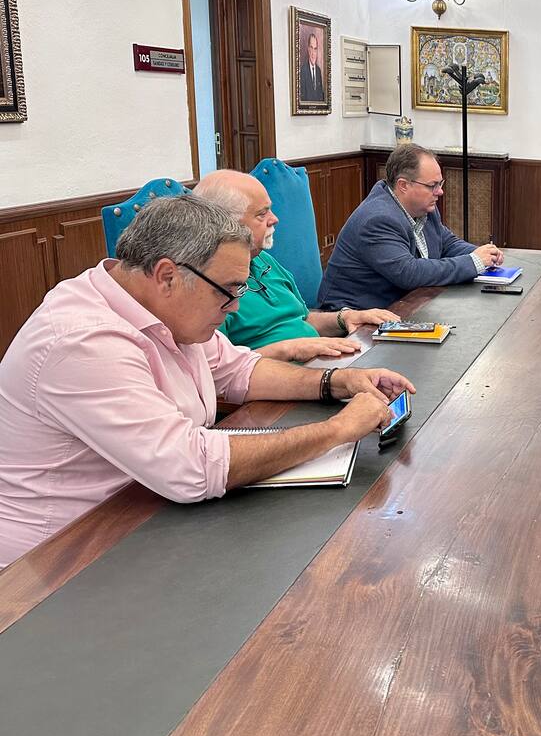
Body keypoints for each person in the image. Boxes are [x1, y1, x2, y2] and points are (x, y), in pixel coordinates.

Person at [0, 195, 414, 567]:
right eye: (229, 291)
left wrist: (338, 382)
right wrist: (338, 430)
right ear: (166, 275)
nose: (235, 307)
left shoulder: (167, 307)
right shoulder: (82, 341)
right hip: (61, 561)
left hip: (148, 515)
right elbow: (190, 467)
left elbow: (239, 369)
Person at [193, 170, 396, 362]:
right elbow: (219, 371)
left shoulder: (264, 259)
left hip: (319, 364)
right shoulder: (207, 286)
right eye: (261, 214)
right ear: (226, 223)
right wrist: (289, 349)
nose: (275, 219)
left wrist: (346, 317)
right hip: (273, 388)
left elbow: (303, 319)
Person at [317, 144, 503, 310]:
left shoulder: (424, 207)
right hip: (354, 316)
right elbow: (409, 273)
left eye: (440, 183)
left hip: (402, 304)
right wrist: (474, 262)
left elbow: (446, 243)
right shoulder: (377, 219)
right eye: (433, 185)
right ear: (403, 185)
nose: (440, 191)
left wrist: (483, 253)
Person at [299, 32, 325, 102]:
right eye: (311, 48)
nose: (313, 53)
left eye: (315, 49)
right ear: (308, 49)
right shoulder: (303, 71)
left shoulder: (318, 71)